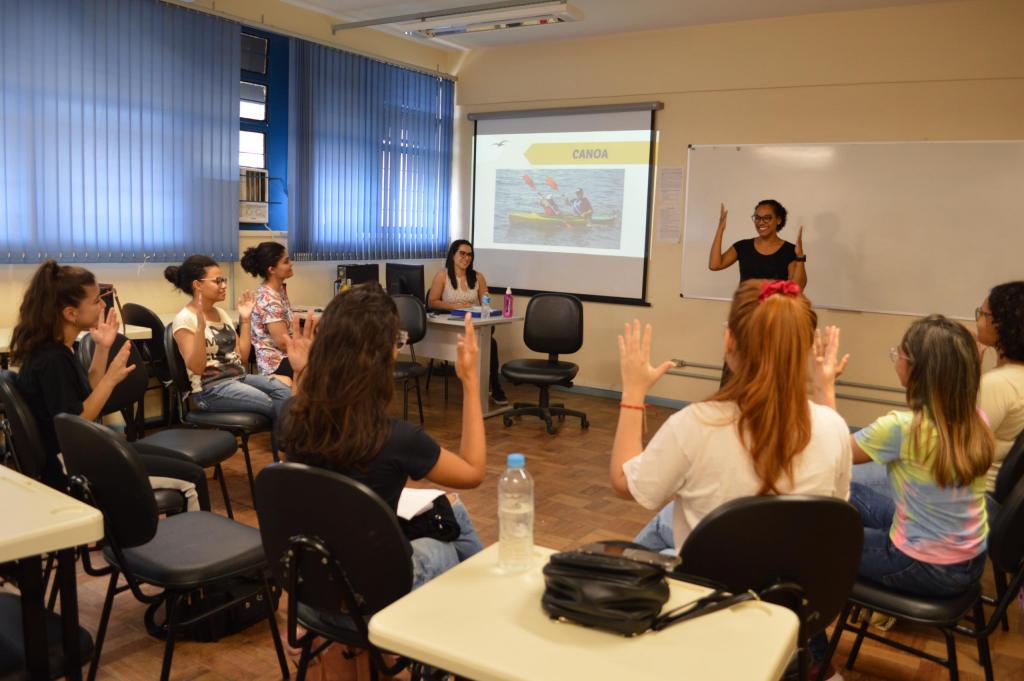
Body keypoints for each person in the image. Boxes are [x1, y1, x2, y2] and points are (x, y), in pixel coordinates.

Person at [610, 279, 851, 679]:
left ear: (729, 342)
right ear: (807, 350)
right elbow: (830, 514)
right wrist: (826, 390)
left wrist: (633, 391)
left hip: (707, 614)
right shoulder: (835, 428)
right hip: (787, 620)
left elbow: (624, 482)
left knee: (659, 521)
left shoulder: (694, 425)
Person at [281, 284, 486, 588]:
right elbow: (473, 471)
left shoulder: (290, 416)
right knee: (449, 539)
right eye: (398, 341)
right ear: (384, 353)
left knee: (449, 507)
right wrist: (470, 382)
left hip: (314, 585)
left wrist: (303, 372)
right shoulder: (395, 438)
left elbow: (293, 452)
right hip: (373, 590)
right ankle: (484, 600)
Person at [11, 261, 210, 510]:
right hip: (72, 465)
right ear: (70, 313)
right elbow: (79, 418)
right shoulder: (52, 360)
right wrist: (111, 379)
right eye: (96, 301)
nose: (103, 305)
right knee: (192, 477)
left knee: (184, 463)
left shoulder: (58, 349)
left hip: (82, 452)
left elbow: (86, 395)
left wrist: (102, 349)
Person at [823, 316, 993, 599]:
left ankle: (812, 644)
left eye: (898, 353)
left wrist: (825, 384)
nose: (895, 359)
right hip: (969, 561)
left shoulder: (901, 428)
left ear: (915, 369)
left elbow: (832, 450)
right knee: (851, 491)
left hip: (921, 565)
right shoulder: (976, 418)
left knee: (808, 545)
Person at [165, 255, 292, 428]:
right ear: (198, 285)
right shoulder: (185, 319)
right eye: (217, 281)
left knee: (285, 393)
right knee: (274, 403)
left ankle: (289, 451)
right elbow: (197, 368)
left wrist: (245, 320)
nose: (224, 285)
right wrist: (200, 330)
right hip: (210, 390)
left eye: (223, 280)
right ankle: (287, 452)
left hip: (238, 378)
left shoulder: (221, 314)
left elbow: (243, 357)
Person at [427, 239, 508, 405]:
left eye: (469, 254)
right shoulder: (442, 275)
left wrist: (485, 302)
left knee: (490, 343)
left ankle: (494, 386)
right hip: (452, 328)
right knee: (490, 344)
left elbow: (485, 301)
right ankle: (485, 385)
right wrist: (455, 306)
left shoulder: (478, 277)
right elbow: (432, 301)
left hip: (474, 326)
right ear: (453, 255)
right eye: (462, 253)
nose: (466, 258)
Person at [975, 281, 1024, 499]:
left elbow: (952, 448)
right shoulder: (1014, 376)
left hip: (974, 495)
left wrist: (965, 369)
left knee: (857, 479)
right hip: (990, 492)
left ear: (999, 325)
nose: (977, 321)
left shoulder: (998, 384)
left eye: (982, 314)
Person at [708, 199, 807, 290]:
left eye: (767, 218)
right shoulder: (743, 246)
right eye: (757, 218)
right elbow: (715, 265)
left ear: (778, 220)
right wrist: (720, 229)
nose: (761, 222)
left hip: (775, 308)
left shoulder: (789, 250)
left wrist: (800, 256)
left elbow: (797, 288)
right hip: (746, 307)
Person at [240, 241, 295, 383]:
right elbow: (283, 343)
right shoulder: (269, 299)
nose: (291, 264)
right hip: (276, 363)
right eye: (286, 261)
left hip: (285, 356)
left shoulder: (278, 291)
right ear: (272, 269)